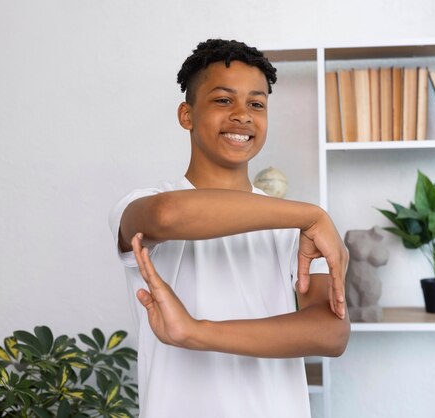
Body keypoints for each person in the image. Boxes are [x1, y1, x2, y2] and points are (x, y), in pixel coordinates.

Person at [108, 39, 350, 418]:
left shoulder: (295, 229)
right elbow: (170, 216)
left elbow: (331, 333)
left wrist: (196, 332)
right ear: (186, 115)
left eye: (256, 104)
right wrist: (313, 215)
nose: (242, 115)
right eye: (223, 100)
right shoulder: (141, 203)